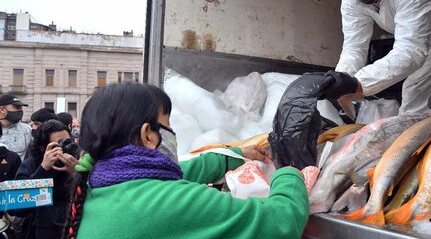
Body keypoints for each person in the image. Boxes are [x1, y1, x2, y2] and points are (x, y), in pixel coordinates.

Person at [63, 83, 309, 239]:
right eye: (168, 125)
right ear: (147, 135)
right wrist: (289, 174)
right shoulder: (164, 204)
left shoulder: (103, 184)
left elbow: (181, 173)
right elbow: (280, 222)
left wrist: (233, 156)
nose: (173, 133)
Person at [15, 120, 79, 239]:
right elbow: (19, 208)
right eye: (59, 145)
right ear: (43, 148)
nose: (65, 148)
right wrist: (43, 169)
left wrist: (77, 173)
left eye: (68, 142)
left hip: (73, 227)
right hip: (41, 230)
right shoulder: (32, 164)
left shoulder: (78, 162)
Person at [0, 94, 32, 160]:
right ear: (2, 109)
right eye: (17, 107)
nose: (20, 111)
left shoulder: (27, 130)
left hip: (19, 169)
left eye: (21, 107)